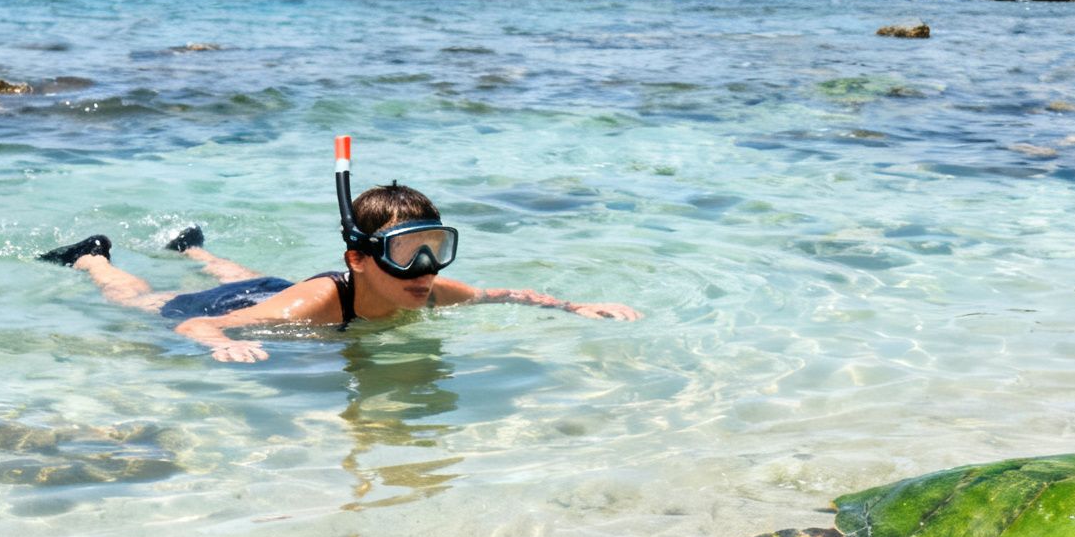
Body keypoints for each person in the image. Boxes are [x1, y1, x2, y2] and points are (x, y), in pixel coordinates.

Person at [38, 183, 640, 362]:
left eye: (435, 247)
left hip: (277, 289)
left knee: (253, 273)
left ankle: (192, 246)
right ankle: (92, 256)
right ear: (359, 258)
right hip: (257, 306)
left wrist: (574, 307)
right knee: (137, 303)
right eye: (408, 252)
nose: (425, 268)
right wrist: (221, 342)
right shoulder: (316, 307)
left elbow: (507, 293)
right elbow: (194, 330)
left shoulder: (428, 292)